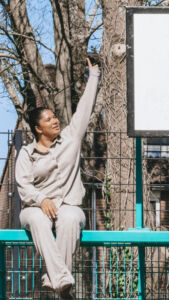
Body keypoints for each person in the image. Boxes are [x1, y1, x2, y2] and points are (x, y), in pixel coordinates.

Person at [15, 58, 100, 299]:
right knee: (40, 221)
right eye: (49, 119)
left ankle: (54, 279)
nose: (55, 120)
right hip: (34, 208)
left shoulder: (71, 139)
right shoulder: (27, 153)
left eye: (55, 117)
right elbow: (23, 185)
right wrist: (42, 200)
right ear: (38, 128)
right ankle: (62, 280)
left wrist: (93, 75)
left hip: (68, 205)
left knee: (71, 218)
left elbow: (84, 109)